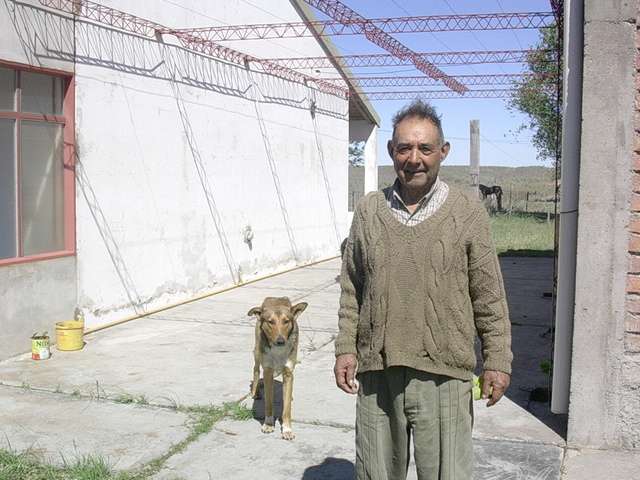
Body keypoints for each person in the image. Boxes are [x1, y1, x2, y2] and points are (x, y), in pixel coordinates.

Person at [334, 99, 512, 480]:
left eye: (425, 148)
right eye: (404, 148)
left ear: (443, 152)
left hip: (445, 376)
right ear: (391, 151)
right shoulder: (368, 211)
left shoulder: (467, 211)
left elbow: (488, 294)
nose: (414, 158)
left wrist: (497, 358)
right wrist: (346, 347)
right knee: (376, 473)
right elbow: (352, 287)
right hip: (378, 374)